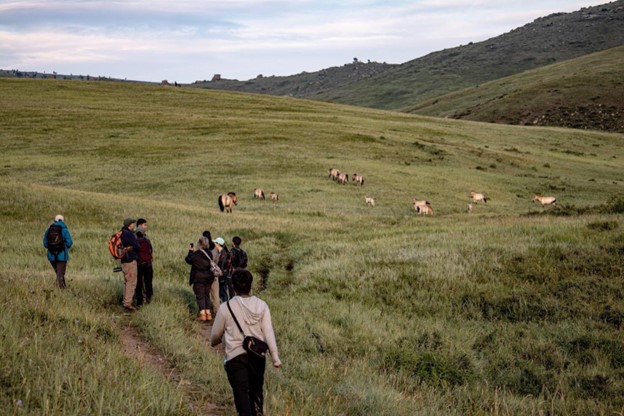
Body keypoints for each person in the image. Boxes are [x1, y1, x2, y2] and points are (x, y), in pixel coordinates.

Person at [210, 269, 281, 416]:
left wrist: (215, 342)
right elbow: (268, 333)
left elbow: (215, 334)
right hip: (257, 357)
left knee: (241, 395)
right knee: (256, 393)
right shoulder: (262, 306)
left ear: (233, 286)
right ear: (250, 285)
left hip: (235, 357)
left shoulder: (226, 307)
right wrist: (275, 357)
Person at [185, 236, 217, 321]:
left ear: (199, 243)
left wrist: (190, 251)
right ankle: (208, 313)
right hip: (209, 277)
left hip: (199, 277)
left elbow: (188, 260)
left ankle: (203, 314)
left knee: (200, 295)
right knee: (206, 295)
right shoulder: (209, 252)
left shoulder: (196, 254)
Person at [43, 214, 73, 289]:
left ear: (55, 220)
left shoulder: (49, 229)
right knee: (60, 274)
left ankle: (62, 288)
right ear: (62, 220)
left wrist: (52, 248)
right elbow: (69, 243)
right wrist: (63, 247)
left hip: (51, 256)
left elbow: (45, 244)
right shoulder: (65, 229)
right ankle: (61, 290)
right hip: (62, 255)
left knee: (59, 273)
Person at [120, 218, 141, 311]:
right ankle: (128, 303)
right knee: (131, 282)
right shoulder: (129, 234)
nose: (134, 225)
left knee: (126, 281)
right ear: (129, 225)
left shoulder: (122, 232)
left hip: (124, 261)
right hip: (130, 261)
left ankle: (125, 301)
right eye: (133, 224)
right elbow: (137, 246)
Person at [134, 218, 154, 306]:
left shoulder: (133, 236)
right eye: (145, 225)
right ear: (140, 225)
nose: (146, 227)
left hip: (138, 263)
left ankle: (139, 301)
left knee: (139, 283)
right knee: (148, 282)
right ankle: (148, 299)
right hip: (147, 263)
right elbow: (150, 250)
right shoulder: (145, 238)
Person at [214, 237, 231, 302]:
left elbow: (223, 266)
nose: (214, 244)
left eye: (215, 243)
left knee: (223, 293)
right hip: (222, 275)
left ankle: (226, 307)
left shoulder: (224, 254)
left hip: (223, 277)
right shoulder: (221, 252)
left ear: (218, 244)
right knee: (222, 292)